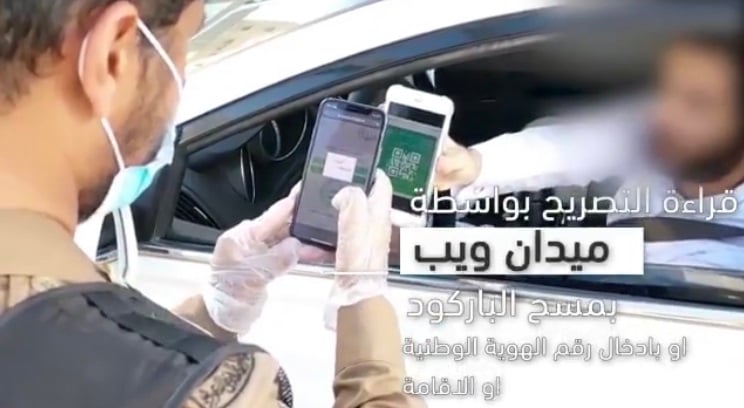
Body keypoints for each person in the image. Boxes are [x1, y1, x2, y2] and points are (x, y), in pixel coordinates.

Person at [0, 1, 423, 407]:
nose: (182, 76)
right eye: (186, 43)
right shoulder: (201, 391)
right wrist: (363, 304)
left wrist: (217, 309)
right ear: (113, 56)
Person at [435, 32, 743, 270]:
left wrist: (434, 250)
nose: (662, 115)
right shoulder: (664, 128)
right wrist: (474, 165)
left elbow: (593, 263)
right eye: (663, 89)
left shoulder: (729, 256)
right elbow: (570, 147)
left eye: (697, 104)